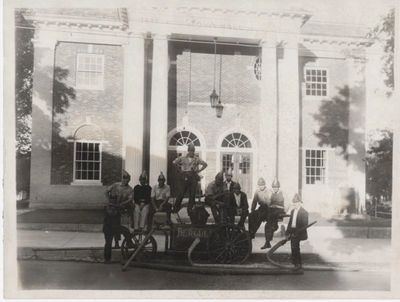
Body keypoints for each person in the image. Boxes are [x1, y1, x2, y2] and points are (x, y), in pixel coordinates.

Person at [103, 170, 133, 263]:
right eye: (124, 178)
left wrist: (121, 204)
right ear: (122, 179)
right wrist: (109, 201)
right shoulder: (115, 185)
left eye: (127, 179)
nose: (125, 180)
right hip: (109, 216)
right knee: (108, 240)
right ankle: (107, 259)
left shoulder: (129, 189)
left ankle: (127, 243)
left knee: (121, 230)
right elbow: (106, 192)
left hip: (117, 212)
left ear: (129, 180)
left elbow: (130, 199)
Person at [172, 143, 207, 216]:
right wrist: (180, 170)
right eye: (190, 150)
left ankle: (190, 210)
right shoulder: (182, 158)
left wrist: (198, 171)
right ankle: (175, 209)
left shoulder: (196, 159)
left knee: (192, 195)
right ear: (188, 151)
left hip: (193, 176)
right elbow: (174, 163)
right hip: (185, 176)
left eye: (193, 151)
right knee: (181, 193)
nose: (192, 152)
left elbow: (205, 164)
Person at [286, 194, 309, 269]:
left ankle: (298, 264)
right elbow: (290, 222)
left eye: (295, 203)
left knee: (296, 247)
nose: (294, 204)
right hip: (292, 231)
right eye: (293, 203)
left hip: (299, 232)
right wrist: (287, 232)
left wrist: (297, 232)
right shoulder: (292, 211)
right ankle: (294, 262)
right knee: (293, 246)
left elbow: (304, 225)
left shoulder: (304, 212)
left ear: (299, 202)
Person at [263, 178, 286, 249]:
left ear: (278, 187)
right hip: (272, 210)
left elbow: (286, 204)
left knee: (272, 218)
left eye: (276, 187)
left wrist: (284, 210)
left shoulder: (282, 193)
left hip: (279, 210)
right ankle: (267, 242)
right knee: (267, 226)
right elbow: (269, 203)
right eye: (274, 187)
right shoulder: (271, 193)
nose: (275, 189)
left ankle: (274, 226)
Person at [248, 177, 270, 242]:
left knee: (259, 217)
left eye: (262, 185)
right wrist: (252, 210)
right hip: (261, 208)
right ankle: (250, 231)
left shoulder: (268, 191)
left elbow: (269, 202)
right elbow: (254, 202)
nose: (261, 187)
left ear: (264, 185)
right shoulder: (257, 191)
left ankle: (253, 231)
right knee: (251, 215)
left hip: (267, 209)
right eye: (260, 185)